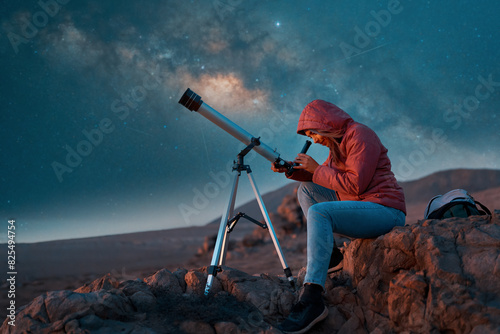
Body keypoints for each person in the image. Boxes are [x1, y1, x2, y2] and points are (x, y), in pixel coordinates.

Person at [272, 99, 406, 334]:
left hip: (386, 211)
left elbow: (354, 185)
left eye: (313, 133)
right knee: (306, 190)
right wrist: (292, 170)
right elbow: (322, 179)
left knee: (319, 211)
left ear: (325, 124)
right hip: (361, 207)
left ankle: (312, 297)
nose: (313, 139)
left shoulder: (360, 135)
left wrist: (316, 169)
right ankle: (332, 258)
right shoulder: (337, 147)